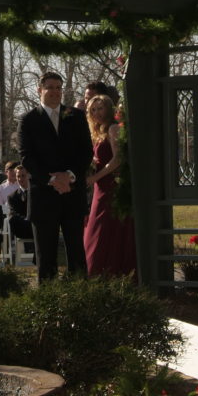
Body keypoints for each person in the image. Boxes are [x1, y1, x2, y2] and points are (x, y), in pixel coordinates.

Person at [19, 71, 94, 282]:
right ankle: (49, 302)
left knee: (77, 252)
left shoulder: (76, 116)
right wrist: (52, 180)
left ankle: (80, 296)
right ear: (39, 90)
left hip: (72, 193)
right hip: (43, 196)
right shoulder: (28, 120)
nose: (55, 92)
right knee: (46, 256)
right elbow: (27, 157)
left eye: (58, 88)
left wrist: (69, 176)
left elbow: (86, 152)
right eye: (50, 87)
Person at [83, 94, 136, 277]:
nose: (97, 113)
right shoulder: (97, 132)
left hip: (111, 186)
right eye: (93, 110)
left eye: (100, 108)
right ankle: (98, 274)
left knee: (106, 229)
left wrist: (95, 176)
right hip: (100, 187)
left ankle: (112, 272)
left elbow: (117, 159)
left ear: (108, 109)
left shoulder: (113, 129)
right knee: (96, 228)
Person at [7, 165, 33, 242]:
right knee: (12, 218)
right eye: (18, 176)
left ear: (28, 176)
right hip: (22, 228)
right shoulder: (12, 196)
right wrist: (26, 220)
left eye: (23, 176)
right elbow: (13, 213)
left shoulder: (36, 193)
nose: (20, 179)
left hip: (36, 225)